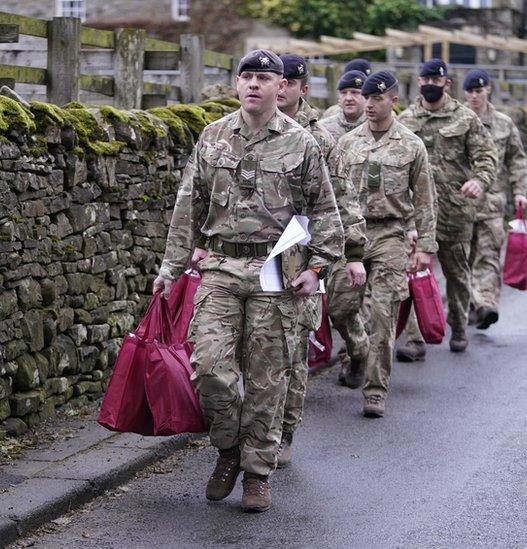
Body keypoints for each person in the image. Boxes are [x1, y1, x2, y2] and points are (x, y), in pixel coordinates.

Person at [153, 49, 344, 513]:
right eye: (247, 77)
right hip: (220, 266)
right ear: (236, 84)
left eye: (264, 77)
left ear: (282, 87)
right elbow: (188, 206)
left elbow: (325, 213)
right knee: (210, 367)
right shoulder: (214, 136)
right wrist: (170, 269)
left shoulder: (302, 143)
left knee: (266, 378)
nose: (254, 84)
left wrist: (317, 268)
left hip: (277, 270)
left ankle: (257, 473)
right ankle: (228, 450)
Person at [328, 70, 437, 418]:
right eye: (367, 98)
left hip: (391, 234)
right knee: (340, 307)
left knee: (382, 313)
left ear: (393, 100)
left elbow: (424, 199)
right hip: (351, 236)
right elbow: (331, 196)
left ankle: (375, 390)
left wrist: (424, 246)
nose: (370, 104)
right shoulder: (347, 144)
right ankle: (357, 349)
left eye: (377, 98)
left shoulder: (411, 145)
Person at [275, 53, 366, 468]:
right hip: (252, 254)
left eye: (286, 82)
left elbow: (342, 202)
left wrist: (351, 255)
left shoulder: (323, 139)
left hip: (303, 255)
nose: (278, 89)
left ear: (301, 88)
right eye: (273, 79)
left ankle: (284, 430)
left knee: (294, 350)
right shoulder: (243, 127)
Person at [396, 59, 496, 359]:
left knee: (456, 273)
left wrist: (480, 181)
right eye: (424, 80)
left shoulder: (465, 119)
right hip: (417, 214)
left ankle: (459, 326)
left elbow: (486, 156)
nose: (429, 85)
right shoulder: (407, 120)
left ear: (446, 84)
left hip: (455, 211)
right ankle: (416, 338)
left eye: (435, 81)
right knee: (414, 273)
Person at [463, 69, 527, 330]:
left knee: (488, 255)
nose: (475, 96)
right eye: (470, 92)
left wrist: (520, 191)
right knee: (463, 260)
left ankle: (486, 304)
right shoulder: (459, 121)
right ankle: (469, 305)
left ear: (488, 90)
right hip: (462, 204)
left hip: (492, 204)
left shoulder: (503, 123)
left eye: (479, 91)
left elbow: (517, 158)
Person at [320, 70, 368, 142]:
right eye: (343, 93)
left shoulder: (376, 126)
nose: (348, 98)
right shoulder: (323, 128)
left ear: (366, 96)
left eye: (355, 92)